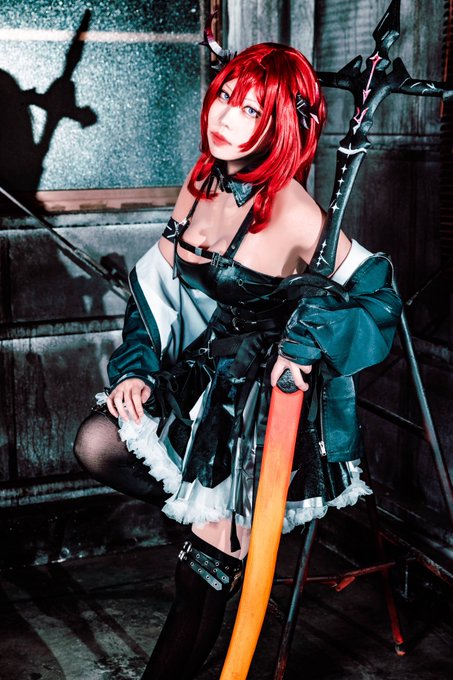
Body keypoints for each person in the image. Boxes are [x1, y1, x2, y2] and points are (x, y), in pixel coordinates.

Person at [74, 41, 402, 679]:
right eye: (226, 95)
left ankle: (220, 541)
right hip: (206, 377)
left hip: (263, 411)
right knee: (97, 442)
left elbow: (378, 299)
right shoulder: (202, 183)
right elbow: (155, 287)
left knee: (198, 581)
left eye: (252, 110)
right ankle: (212, 526)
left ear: (280, 125)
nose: (226, 116)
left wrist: (307, 343)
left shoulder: (296, 212)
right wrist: (136, 368)